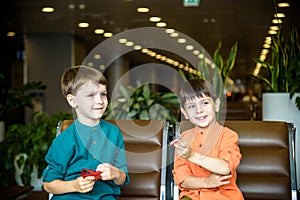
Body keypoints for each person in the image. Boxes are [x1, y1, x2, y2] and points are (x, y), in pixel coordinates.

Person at [43, 66, 129, 199]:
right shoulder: (65, 140)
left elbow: (123, 178)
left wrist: (116, 173)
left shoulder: (114, 133)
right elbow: (48, 184)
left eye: (103, 94)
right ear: (73, 100)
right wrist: (74, 185)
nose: (100, 101)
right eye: (90, 95)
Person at [172, 79, 244, 200]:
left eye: (204, 103)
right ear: (184, 112)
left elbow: (225, 168)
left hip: (224, 196)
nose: (199, 110)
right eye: (191, 106)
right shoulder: (184, 139)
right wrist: (206, 182)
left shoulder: (228, 135)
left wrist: (192, 156)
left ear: (216, 105)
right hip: (192, 197)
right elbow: (183, 179)